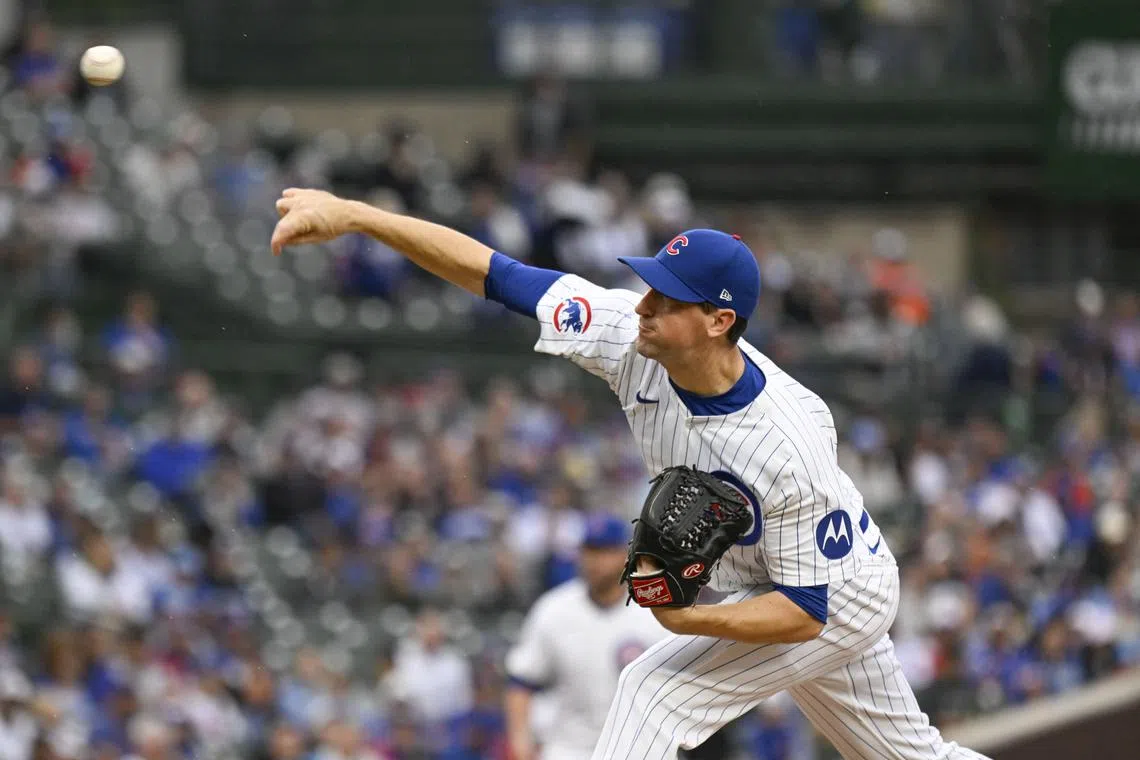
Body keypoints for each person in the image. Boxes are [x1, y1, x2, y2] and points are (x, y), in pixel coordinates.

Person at [270, 188, 991, 759]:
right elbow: (495, 273)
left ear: (717, 321)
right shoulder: (627, 335)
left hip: (834, 593)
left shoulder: (786, 441)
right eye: (648, 286)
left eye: (667, 298)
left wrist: (688, 618)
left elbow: (807, 610)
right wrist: (359, 217)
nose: (642, 306)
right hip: (763, 577)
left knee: (655, 689)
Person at [504, 514, 667, 760]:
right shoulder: (554, 609)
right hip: (570, 749)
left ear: (626, 555)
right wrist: (520, 740)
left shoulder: (656, 612)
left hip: (639, 748)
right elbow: (521, 681)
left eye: (604, 551)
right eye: (589, 551)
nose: (594, 561)